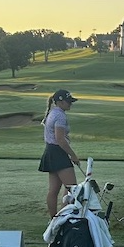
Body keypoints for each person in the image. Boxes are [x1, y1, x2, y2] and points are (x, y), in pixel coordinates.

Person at [39, 89, 81, 218]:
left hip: (50, 151)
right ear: (60, 102)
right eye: (68, 102)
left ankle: (54, 220)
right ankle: (62, 219)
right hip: (58, 152)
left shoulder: (52, 112)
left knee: (54, 190)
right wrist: (73, 155)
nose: (70, 104)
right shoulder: (60, 115)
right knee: (73, 190)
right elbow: (60, 139)